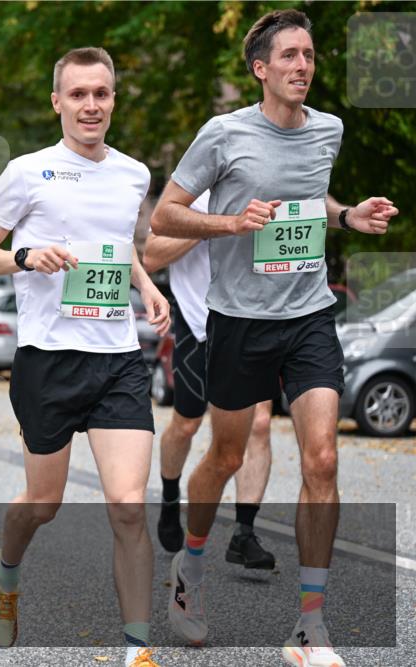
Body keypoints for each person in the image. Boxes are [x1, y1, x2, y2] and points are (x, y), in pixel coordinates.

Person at [149, 9, 398, 664]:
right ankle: (190, 565)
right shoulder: (223, 133)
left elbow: (309, 198)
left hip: (309, 314)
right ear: (261, 69)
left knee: (321, 458)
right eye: (289, 55)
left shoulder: (330, 130)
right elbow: (165, 218)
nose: (303, 65)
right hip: (240, 320)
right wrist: (230, 225)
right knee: (226, 456)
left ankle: (309, 625)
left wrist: (347, 214)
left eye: (309, 55)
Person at [0, 47, 170, 667]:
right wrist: (27, 257)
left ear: (113, 99)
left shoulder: (133, 174)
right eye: (77, 94)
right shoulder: (27, 172)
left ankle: (137, 649)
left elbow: (117, 246)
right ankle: (6, 572)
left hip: (116, 361)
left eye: (100, 93)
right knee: (43, 504)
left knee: (129, 505)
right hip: (48, 359)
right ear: (57, 101)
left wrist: (147, 284)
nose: (90, 105)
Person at [143, 191, 275, 569]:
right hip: (197, 323)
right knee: (186, 424)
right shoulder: (192, 191)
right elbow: (151, 255)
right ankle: (170, 499)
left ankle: (244, 533)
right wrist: (215, 225)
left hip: (250, 322)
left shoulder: (266, 182)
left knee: (260, 425)